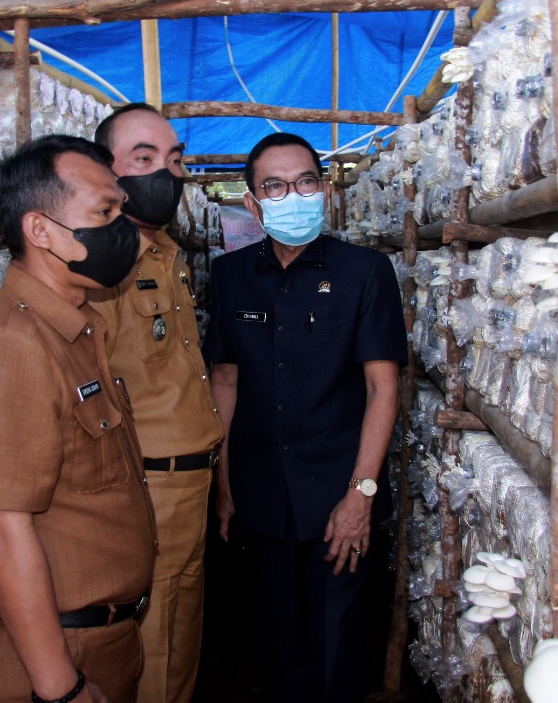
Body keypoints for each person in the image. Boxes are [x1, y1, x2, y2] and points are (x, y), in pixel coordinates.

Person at [0, 135, 157, 703]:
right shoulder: (14, 346)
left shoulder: (75, 329)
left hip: (98, 644)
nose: (123, 226)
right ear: (40, 231)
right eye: (105, 212)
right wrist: (60, 687)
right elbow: (1, 526)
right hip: (51, 661)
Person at [202, 132, 407, 702]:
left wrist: (361, 494)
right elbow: (226, 380)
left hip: (340, 492)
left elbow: (382, 388)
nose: (292, 194)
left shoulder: (365, 272)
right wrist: (224, 481)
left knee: (337, 642)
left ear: (324, 190)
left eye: (305, 182)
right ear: (252, 202)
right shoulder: (231, 276)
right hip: (262, 492)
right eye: (274, 185)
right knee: (277, 637)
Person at [88, 103, 224, 703]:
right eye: (143, 159)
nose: (163, 174)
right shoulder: (101, 264)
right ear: (106, 171)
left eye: (173, 160)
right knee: (152, 642)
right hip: (147, 484)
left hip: (191, 479)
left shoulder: (165, 252)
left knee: (181, 628)